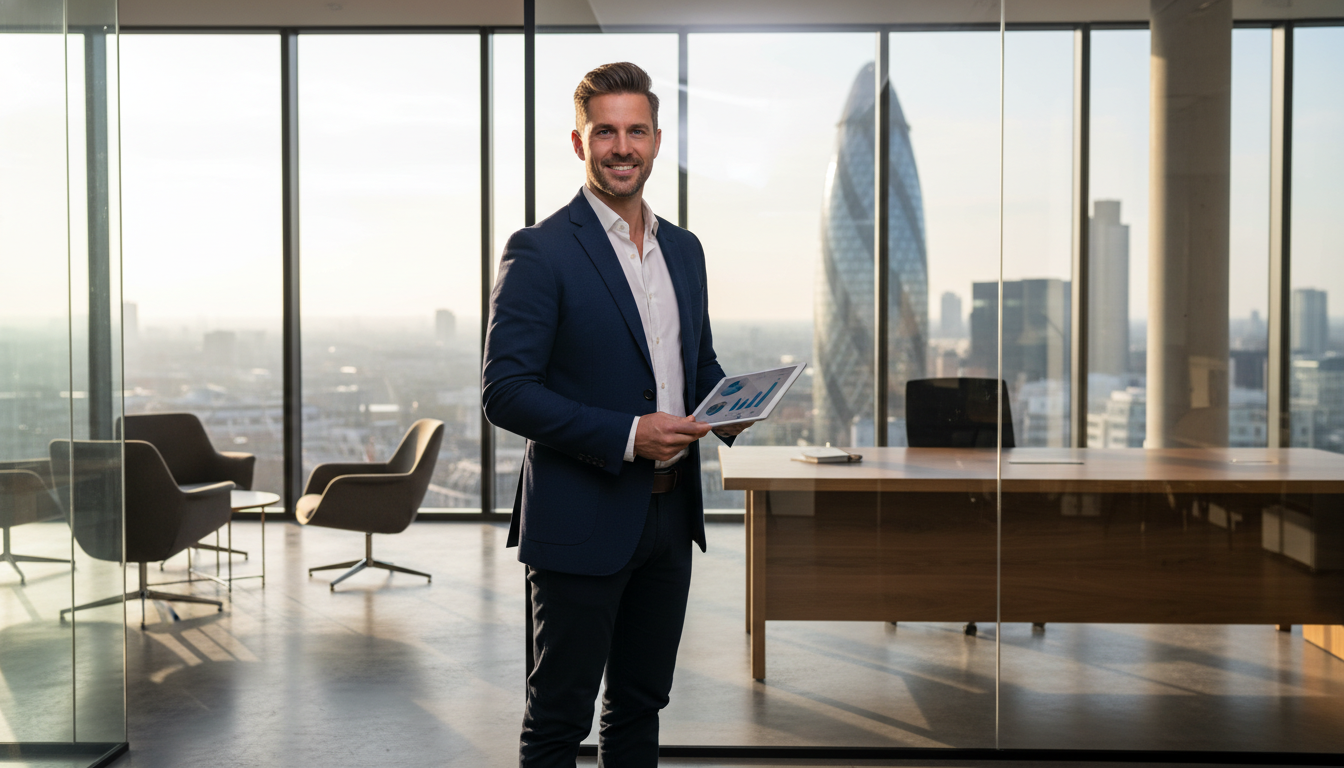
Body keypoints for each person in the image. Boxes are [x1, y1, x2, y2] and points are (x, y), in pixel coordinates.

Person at [482, 61, 748, 767]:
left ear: (658, 141)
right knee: (559, 720)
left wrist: (730, 406)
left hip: (668, 518)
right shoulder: (540, 251)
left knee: (640, 705)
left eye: (636, 131)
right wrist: (629, 436)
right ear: (579, 144)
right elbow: (504, 391)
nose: (621, 147)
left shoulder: (684, 251)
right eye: (605, 132)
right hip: (579, 519)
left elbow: (696, 367)